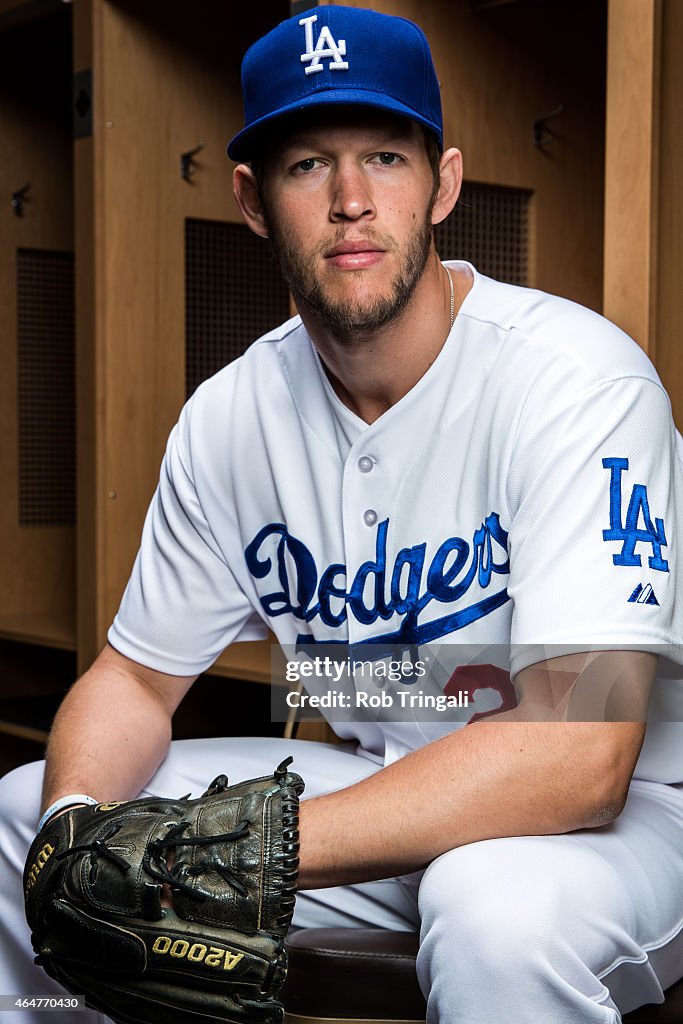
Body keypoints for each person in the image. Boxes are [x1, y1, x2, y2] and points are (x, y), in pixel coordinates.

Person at [2, 6, 683, 1022]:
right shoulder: (230, 415)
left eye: (384, 157)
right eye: (309, 165)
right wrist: (75, 842)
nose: (352, 200)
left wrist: (234, 850)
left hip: (615, 823)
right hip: (386, 787)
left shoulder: (574, 381)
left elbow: (576, 753)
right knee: (22, 819)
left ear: (442, 182)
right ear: (252, 200)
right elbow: (136, 680)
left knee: (491, 907)